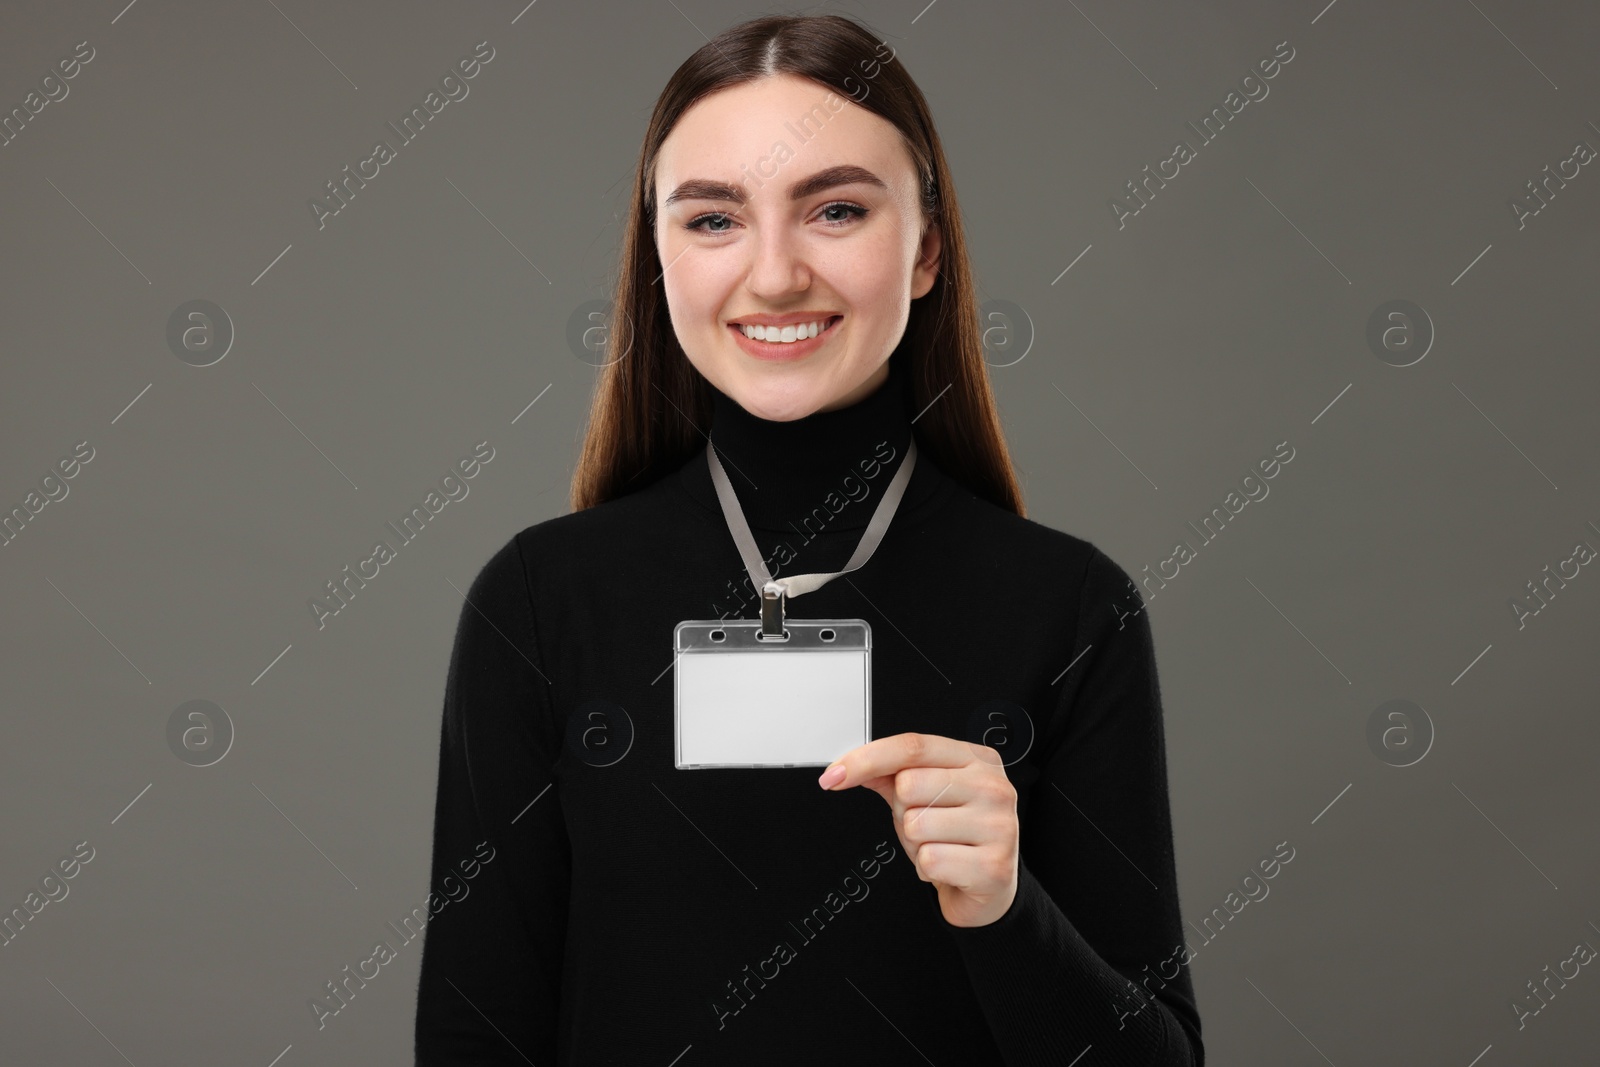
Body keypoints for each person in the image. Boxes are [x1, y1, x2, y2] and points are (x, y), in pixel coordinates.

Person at [414, 13, 1202, 1066]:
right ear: (657, 259)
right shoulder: (539, 600)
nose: (775, 273)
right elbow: (474, 1040)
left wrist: (1007, 910)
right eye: (711, 220)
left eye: (834, 209)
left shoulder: (1069, 607)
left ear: (926, 250)